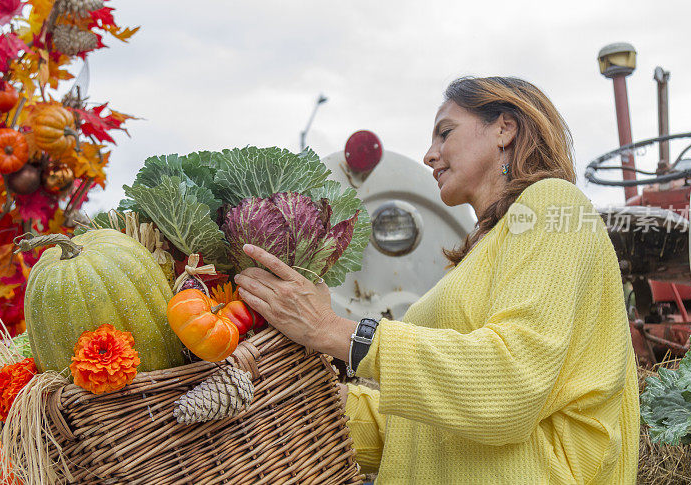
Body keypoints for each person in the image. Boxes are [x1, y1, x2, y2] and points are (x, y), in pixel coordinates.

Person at [235, 76, 640, 484]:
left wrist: (333, 330)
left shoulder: (555, 204)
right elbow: (422, 430)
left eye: (445, 133)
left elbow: (507, 385)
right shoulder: (477, 255)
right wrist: (315, 404)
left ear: (504, 128)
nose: (429, 156)